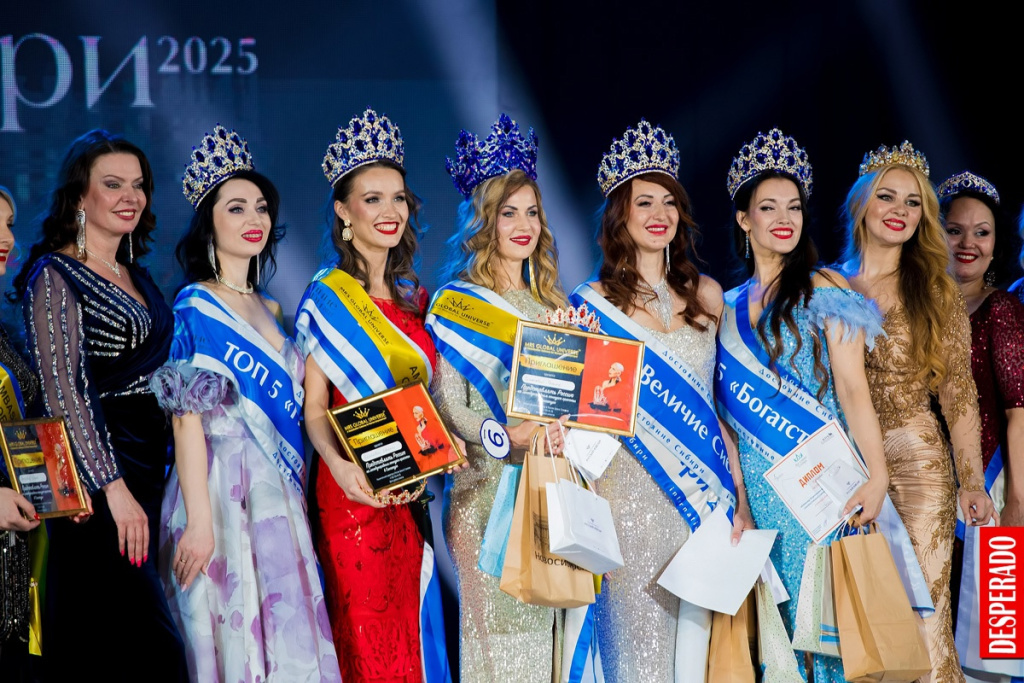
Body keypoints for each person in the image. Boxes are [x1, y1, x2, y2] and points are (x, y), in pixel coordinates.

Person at [151, 126, 341, 681]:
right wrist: (199, 522)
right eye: (236, 208)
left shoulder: (273, 308)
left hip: (276, 491)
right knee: (232, 634)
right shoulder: (196, 305)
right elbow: (186, 421)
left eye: (260, 207)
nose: (253, 217)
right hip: (219, 488)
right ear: (209, 223)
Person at [715, 129, 896, 681]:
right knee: (781, 640)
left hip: (826, 490)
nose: (784, 218)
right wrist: (739, 498)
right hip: (763, 497)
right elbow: (726, 422)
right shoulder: (724, 309)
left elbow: (853, 389)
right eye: (768, 207)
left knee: (836, 639)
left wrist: (879, 476)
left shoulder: (826, 287)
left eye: (793, 206)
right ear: (744, 219)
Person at [14, 130, 187, 680]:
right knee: (144, 647)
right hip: (97, 483)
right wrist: (113, 488)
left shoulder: (136, 274)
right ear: (79, 197)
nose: (129, 196)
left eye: (138, 185)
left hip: (147, 470)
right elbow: (61, 389)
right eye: (113, 184)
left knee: (121, 643)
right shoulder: (54, 274)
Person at [569, 120, 734, 681]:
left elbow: (719, 409)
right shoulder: (591, 305)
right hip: (625, 497)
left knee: (696, 661)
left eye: (669, 202)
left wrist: (737, 495)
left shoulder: (707, 295)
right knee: (636, 657)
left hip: (702, 500)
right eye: (645, 202)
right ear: (621, 214)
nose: (660, 213)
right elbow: (581, 418)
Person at [295, 108, 450, 683]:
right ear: (343, 211)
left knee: (412, 635)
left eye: (398, 198)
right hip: (351, 492)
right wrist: (338, 467)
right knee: (364, 643)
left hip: (409, 493)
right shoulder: (327, 296)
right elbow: (315, 408)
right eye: (373, 199)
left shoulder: (415, 297)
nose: (390, 212)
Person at [838, 143, 996, 681]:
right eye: (887, 196)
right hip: (844, 468)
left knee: (923, 617)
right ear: (861, 203)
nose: (899, 210)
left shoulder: (934, 289)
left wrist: (971, 480)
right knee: (862, 628)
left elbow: (959, 390)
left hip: (918, 468)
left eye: (912, 202)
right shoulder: (827, 284)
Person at [427, 114, 571, 682]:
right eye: (508, 212)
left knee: (544, 653)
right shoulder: (455, 304)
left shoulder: (554, 306)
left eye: (532, 212)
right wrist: (505, 437)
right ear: (484, 220)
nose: (523, 225)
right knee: (499, 655)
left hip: (546, 493)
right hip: (484, 496)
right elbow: (448, 407)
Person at [939, 171, 1024, 528]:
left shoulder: (1001, 309)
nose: (967, 243)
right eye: (954, 230)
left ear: (996, 244)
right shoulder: (911, 310)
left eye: (981, 233)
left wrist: (1017, 502)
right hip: (923, 489)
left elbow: (1019, 415)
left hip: (988, 496)